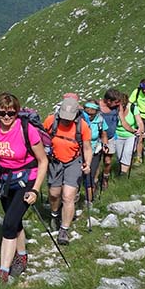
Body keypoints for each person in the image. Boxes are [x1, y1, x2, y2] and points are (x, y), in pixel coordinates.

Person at [0, 92, 48, 284]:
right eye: (2, 113)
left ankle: (3, 272)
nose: (6, 117)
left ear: (17, 112)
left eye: (11, 113)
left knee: (9, 224)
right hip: (4, 180)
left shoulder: (27, 129)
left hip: (27, 180)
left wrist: (35, 190)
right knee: (14, 219)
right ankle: (22, 255)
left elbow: (43, 161)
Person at [43, 95, 92, 245]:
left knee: (68, 196)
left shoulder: (83, 126)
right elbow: (42, 138)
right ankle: (54, 214)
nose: (66, 120)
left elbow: (87, 148)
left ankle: (64, 230)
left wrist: (88, 163)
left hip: (74, 162)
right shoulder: (50, 121)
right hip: (55, 161)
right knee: (54, 194)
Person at [82, 101, 109, 201]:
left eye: (92, 114)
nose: (89, 116)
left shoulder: (100, 120)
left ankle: (89, 200)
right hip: (80, 151)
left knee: (90, 175)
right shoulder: (80, 120)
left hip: (95, 151)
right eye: (87, 113)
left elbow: (104, 134)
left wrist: (105, 145)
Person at [113, 92, 145, 174]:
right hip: (118, 135)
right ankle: (121, 170)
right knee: (120, 157)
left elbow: (139, 122)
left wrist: (140, 129)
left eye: (123, 105)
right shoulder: (114, 110)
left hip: (131, 135)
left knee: (127, 153)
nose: (121, 107)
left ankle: (123, 175)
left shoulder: (133, 108)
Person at [97, 88, 121, 190]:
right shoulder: (97, 106)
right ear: (108, 101)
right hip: (97, 139)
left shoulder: (117, 108)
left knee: (107, 161)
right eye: (116, 102)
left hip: (110, 138)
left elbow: (122, 118)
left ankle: (105, 178)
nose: (118, 104)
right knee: (96, 162)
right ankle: (94, 181)